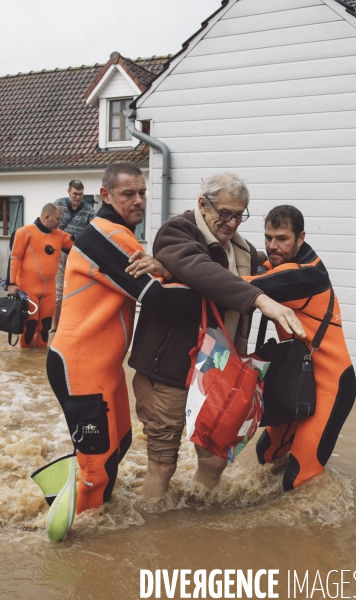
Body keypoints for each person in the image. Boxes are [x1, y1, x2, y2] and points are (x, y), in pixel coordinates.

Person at [127, 173, 305, 500]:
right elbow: (199, 269)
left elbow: (274, 269)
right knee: (163, 465)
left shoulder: (244, 252)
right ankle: (147, 535)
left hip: (220, 374)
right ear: (202, 205)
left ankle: (196, 520)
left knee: (214, 461)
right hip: (168, 372)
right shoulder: (177, 232)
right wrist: (259, 299)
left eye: (240, 214)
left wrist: (294, 250)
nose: (233, 222)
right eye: (225, 213)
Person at [45, 161, 203, 527]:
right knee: (97, 467)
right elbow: (161, 298)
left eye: (142, 193)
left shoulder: (121, 234)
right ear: (106, 195)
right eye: (128, 194)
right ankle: (80, 554)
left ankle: (93, 518)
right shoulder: (105, 236)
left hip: (104, 368)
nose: (138, 201)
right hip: (79, 366)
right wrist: (219, 289)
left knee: (120, 445)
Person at [245, 205, 356, 491]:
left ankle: (308, 533)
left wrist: (176, 270)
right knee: (266, 454)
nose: (272, 246)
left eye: (282, 238)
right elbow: (257, 267)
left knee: (299, 478)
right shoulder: (282, 265)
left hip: (332, 385)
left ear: (301, 237)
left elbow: (241, 284)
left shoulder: (306, 275)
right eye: (268, 238)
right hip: (298, 379)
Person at [6, 204, 74, 348]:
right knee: (29, 325)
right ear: (47, 217)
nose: (60, 222)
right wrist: (11, 284)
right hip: (27, 287)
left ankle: (40, 362)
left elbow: (79, 244)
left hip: (49, 288)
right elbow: (14, 258)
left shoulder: (60, 235)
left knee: (45, 326)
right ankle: (25, 364)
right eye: (57, 219)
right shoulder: (25, 232)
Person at [52, 180, 96, 331]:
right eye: (75, 194)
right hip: (58, 254)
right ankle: (54, 327)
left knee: (74, 292)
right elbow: (49, 225)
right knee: (58, 292)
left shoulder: (89, 210)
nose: (78, 197)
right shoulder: (58, 204)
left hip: (77, 255)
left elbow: (93, 233)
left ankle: (69, 325)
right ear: (68, 192)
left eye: (81, 194)